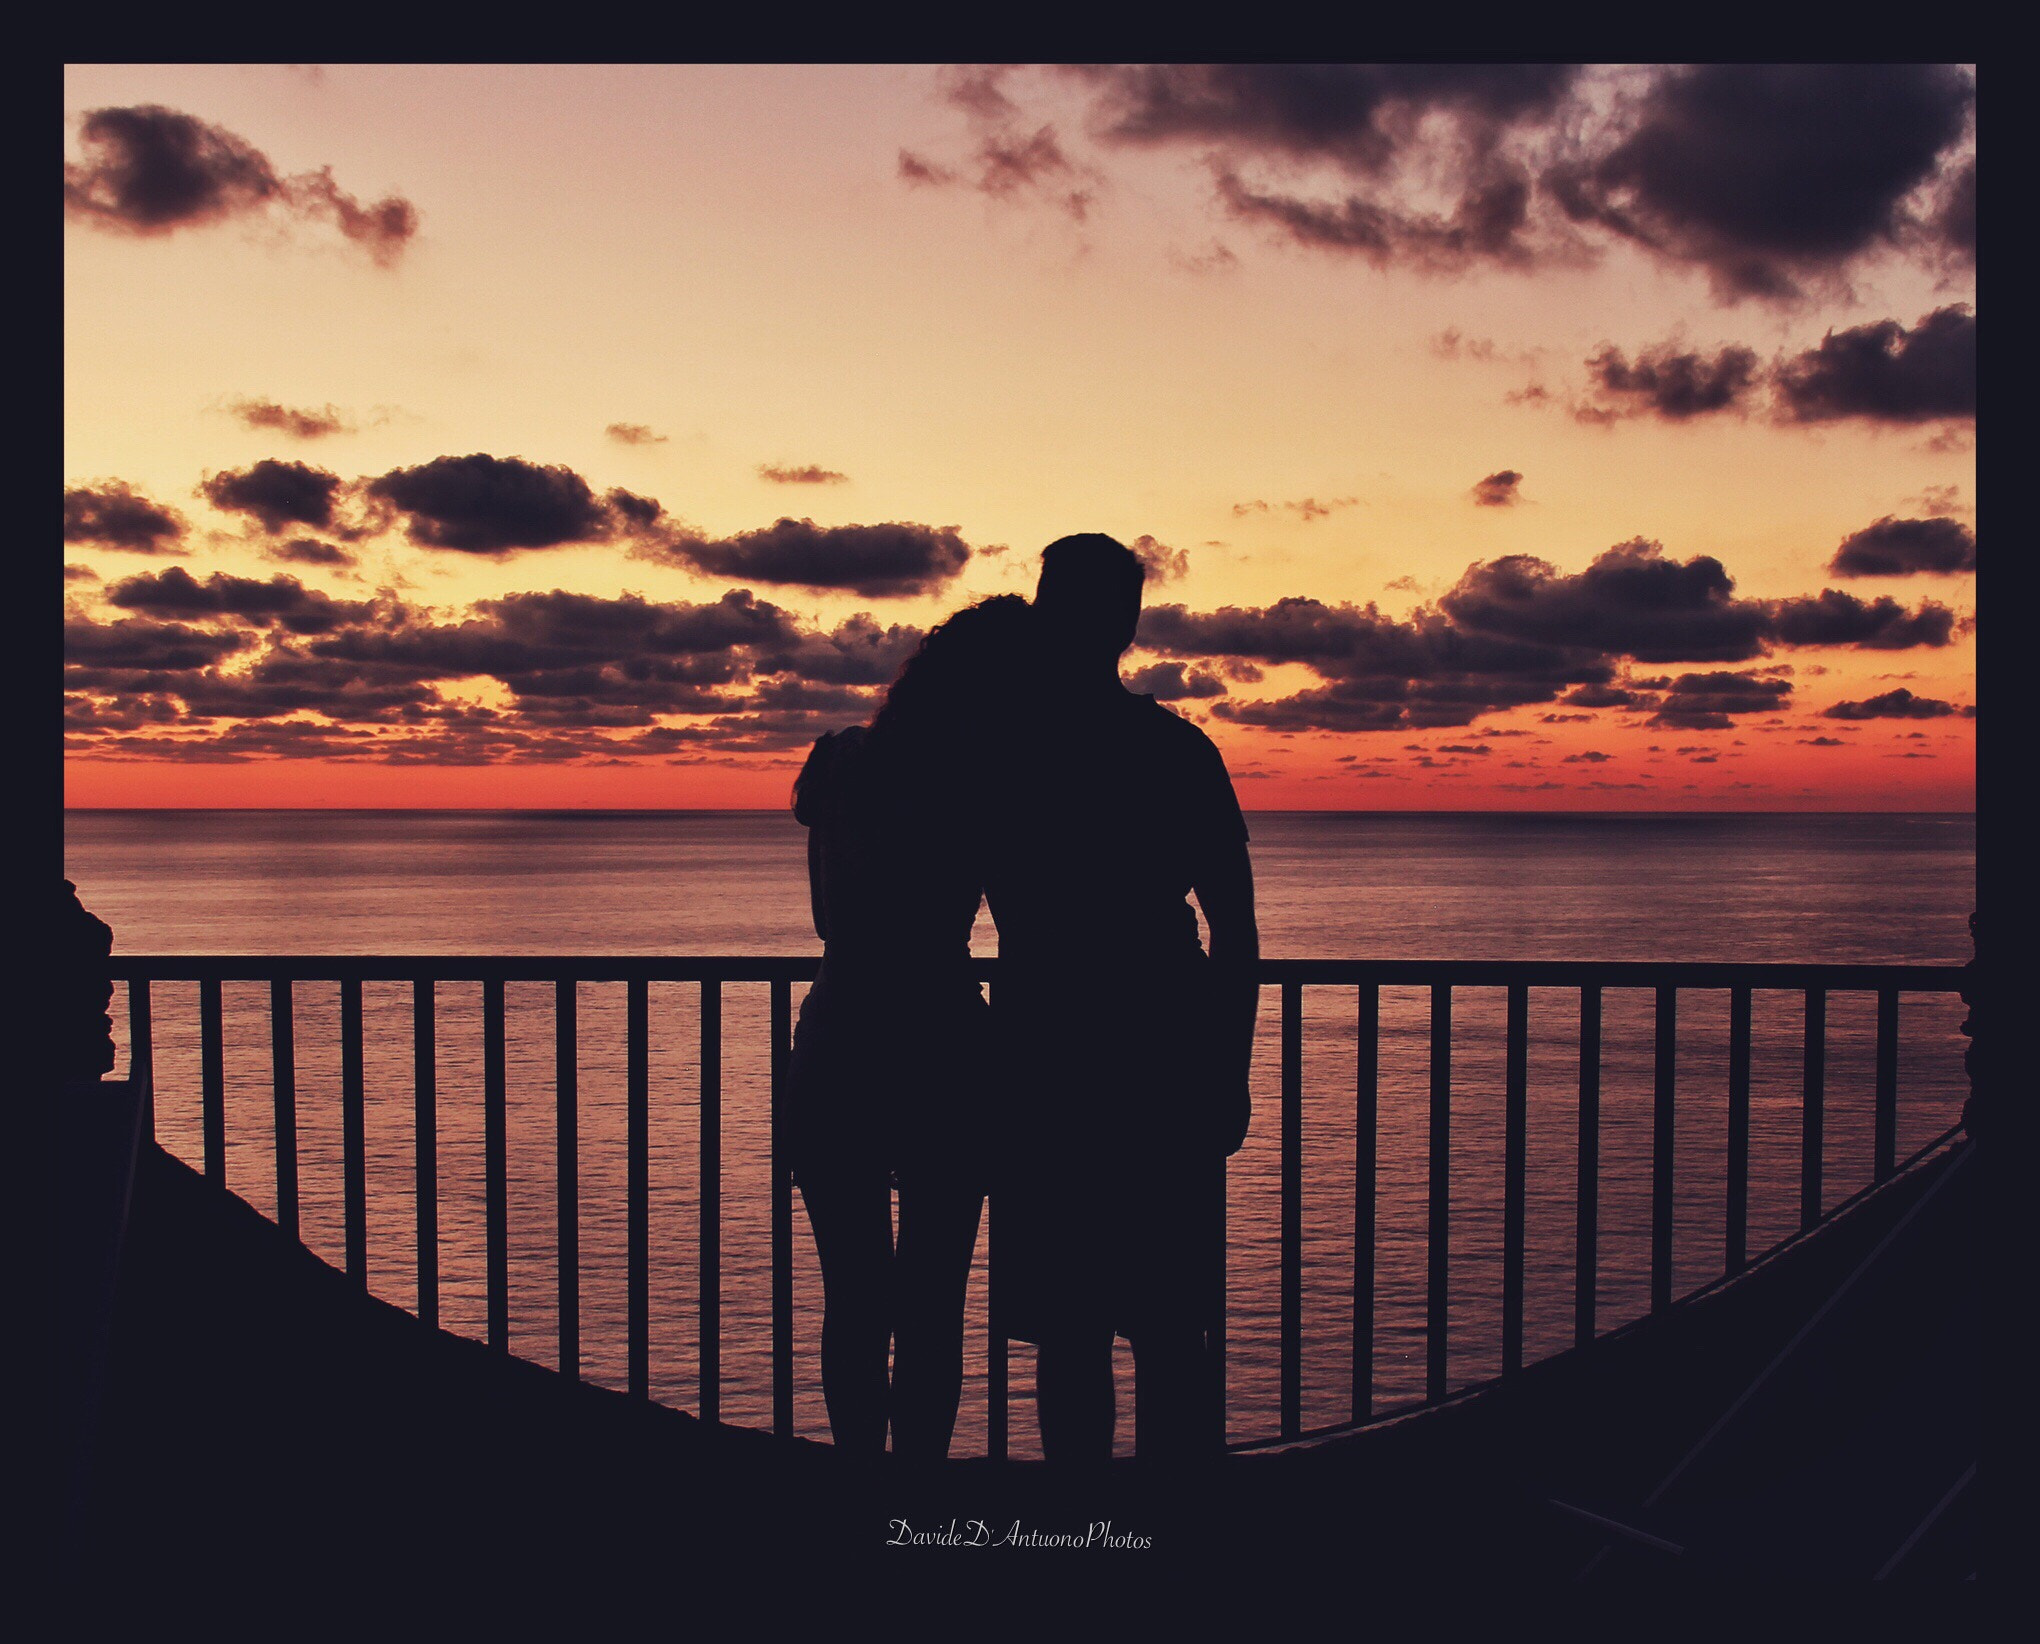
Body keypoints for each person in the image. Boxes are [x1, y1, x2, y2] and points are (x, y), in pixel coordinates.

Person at [985, 533, 1259, 1463]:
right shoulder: (1178, 753)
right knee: (1169, 1328)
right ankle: (1168, 1544)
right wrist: (1228, 1069)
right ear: (1129, 623)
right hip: (1160, 1057)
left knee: (1073, 1338)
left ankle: (1086, 1540)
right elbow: (1237, 931)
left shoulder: (1004, 757)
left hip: (1044, 1061)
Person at [785, 594, 1035, 1460]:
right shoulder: (986, 783)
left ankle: (862, 1480)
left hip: (841, 1028)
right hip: (940, 1036)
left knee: (853, 1293)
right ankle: (916, 1488)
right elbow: (1026, 918)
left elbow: (813, 821)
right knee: (933, 1298)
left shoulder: (839, 762)